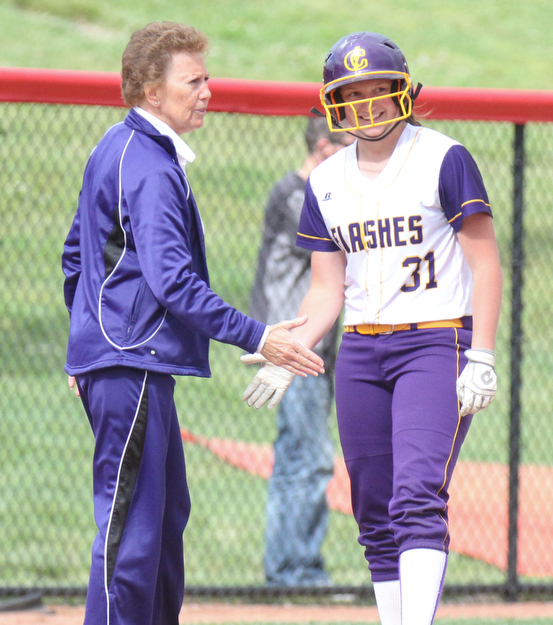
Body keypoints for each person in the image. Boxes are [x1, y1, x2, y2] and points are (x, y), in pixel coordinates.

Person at [61, 22, 324, 625]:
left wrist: (86, 345)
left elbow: (76, 257)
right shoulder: (149, 165)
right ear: (152, 90)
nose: (208, 90)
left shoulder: (120, 147)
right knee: (132, 535)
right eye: (194, 80)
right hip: (131, 365)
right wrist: (261, 336)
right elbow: (172, 283)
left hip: (128, 364)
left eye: (208, 77)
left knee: (162, 520)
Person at [243, 31, 503, 625]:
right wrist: (294, 345)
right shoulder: (327, 179)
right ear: (333, 103)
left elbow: (485, 263)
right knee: (373, 507)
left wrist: (481, 354)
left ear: (402, 90)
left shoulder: (443, 156)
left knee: (416, 495)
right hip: (361, 351)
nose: (367, 104)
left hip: (435, 340)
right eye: (350, 93)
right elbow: (327, 288)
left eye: (378, 90)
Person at [247, 118, 353, 587]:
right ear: (326, 147)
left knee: (298, 457)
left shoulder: (317, 193)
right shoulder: (297, 196)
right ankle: (297, 573)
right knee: (307, 459)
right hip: (293, 351)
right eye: (349, 146)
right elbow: (346, 244)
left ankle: (289, 570)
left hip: (313, 352)